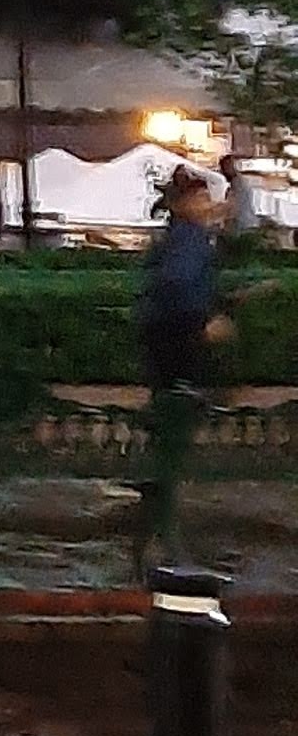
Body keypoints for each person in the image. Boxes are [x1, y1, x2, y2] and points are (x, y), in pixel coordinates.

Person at [135, 165, 235, 568]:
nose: (210, 205)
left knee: (172, 419)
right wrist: (205, 324)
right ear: (187, 204)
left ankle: (159, 515)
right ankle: (162, 528)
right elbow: (178, 287)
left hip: (163, 345)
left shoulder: (179, 240)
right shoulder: (190, 241)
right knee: (177, 423)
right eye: (203, 198)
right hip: (178, 345)